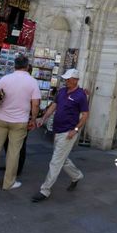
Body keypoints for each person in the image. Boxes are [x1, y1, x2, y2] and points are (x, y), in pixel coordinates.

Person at [0, 54, 40, 190]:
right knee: (14, 152)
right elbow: (35, 104)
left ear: (15, 65)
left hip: (0, 118)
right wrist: (33, 119)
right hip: (20, 122)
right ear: (27, 66)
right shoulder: (32, 82)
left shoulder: (6, 79)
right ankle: (8, 182)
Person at [32, 68, 88, 202]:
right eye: (66, 79)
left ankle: (45, 190)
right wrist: (43, 118)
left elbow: (85, 115)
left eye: (69, 79)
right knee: (62, 159)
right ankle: (77, 176)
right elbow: (54, 106)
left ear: (76, 80)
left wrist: (75, 129)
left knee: (56, 161)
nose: (66, 81)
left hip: (68, 133)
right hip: (58, 131)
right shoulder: (62, 91)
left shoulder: (81, 95)